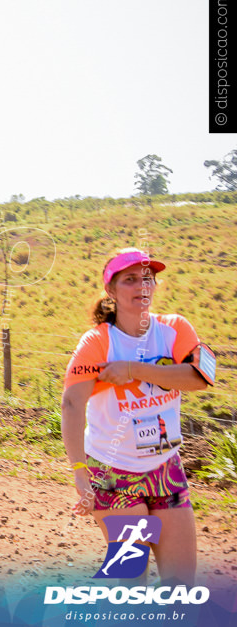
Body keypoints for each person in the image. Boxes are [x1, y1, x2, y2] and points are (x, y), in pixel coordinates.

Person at [62, 248, 215, 586]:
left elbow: (201, 377)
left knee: (181, 583)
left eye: (147, 279)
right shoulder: (97, 342)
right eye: (129, 279)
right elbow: (72, 406)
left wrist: (133, 369)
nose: (141, 286)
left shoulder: (175, 329)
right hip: (114, 475)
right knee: (134, 579)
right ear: (111, 291)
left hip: (166, 470)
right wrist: (79, 472)